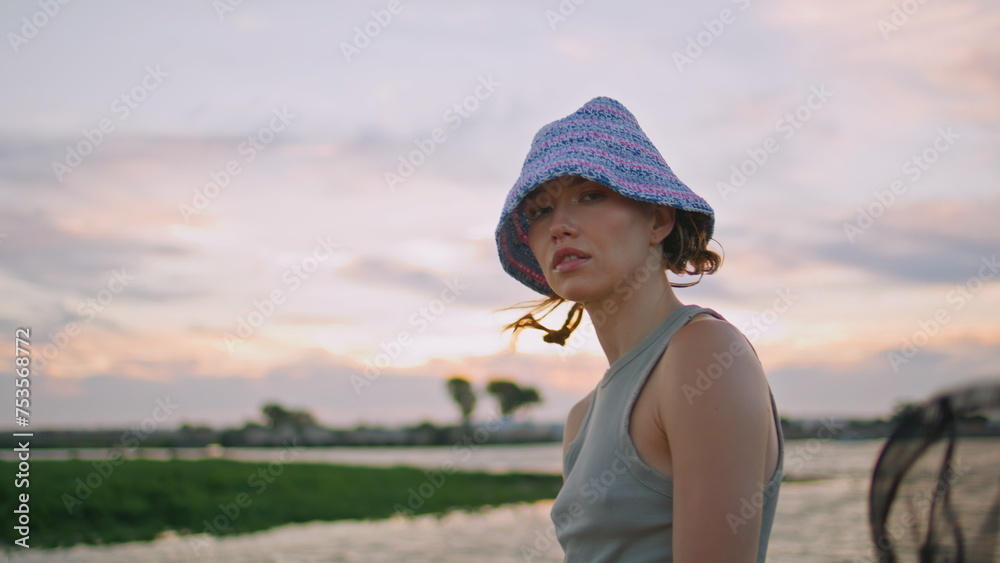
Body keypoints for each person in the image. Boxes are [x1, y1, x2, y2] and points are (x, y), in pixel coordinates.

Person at [494, 97, 784, 561]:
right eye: (540, 210)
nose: (560, 226)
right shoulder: (581, 419)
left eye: (590, 195)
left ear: (658, 218)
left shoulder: (702, 355)